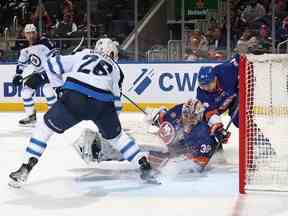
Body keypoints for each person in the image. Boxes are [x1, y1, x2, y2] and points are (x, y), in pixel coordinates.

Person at [8, 38, 158, 188]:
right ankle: (144, 165)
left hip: (76, 96)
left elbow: (51, 65)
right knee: (118, 138)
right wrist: (110, 125)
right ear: (112, 53)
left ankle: (26, 167)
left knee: (43, 129)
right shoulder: (117, 70)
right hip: (103, 103)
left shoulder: (84, 53)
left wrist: (59, 88)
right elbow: (117, 104)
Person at [73, 99, 230, 173]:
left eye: (192, 116)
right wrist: (155, 115)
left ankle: (100, 152)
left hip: (170, 154)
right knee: (132, 134)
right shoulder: (177, 111)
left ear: (199, 116)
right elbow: (163, 117)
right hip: (161, 142)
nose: (187, 118)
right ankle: (101, 144)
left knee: (139, 150)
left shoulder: (203, 135)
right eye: (186, 115)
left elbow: (196, 166)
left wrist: (171, 164)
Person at [12, 24, 63, 126]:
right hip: (38, 73)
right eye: (28, 33)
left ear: (36, 32)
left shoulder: (45, 42)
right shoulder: (25, 47)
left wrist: (52, 70)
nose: (31, 36)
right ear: (25, 35)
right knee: (25, 92)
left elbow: (55, 55)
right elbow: (21, 62)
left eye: (32, 33)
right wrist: (18, 74)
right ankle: (31, 117)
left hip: (50, 72)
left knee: (47, 90)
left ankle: (53, 116)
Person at [196, 55, 239, 129]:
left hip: (239, 91)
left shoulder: (225, 70)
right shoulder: (202, 95)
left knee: (239, 117)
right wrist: (218, 129)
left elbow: (239, 58)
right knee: (237, 120)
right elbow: (208, 116)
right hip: (230, 102)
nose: (206, 88)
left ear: (215, 79)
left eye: (208, 85)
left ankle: (255, 137)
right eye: (202, 85)